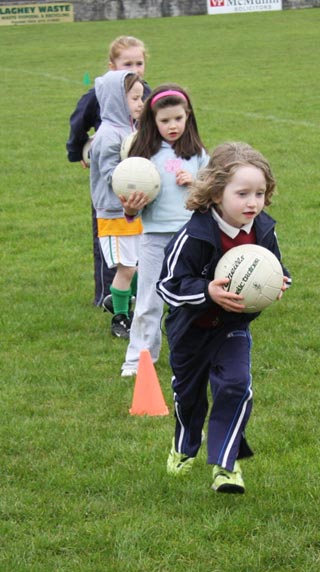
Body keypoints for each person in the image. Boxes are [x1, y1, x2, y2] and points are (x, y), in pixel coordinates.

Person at [156, 142, 291, 494]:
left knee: (235, 386)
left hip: (231, 328)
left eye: (260, 193)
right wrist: (207, 292)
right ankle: (184, 447)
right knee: (190, 400)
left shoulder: (262, 230)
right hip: (191, 332)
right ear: (216, 192)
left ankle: (226, 467)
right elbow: (168, 286)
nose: (253, 202)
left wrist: (278, 283)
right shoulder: (192, 237)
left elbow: (275, 267)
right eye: (243, 193)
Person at [120, 84, 209, 376]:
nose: (173, 126)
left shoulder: (197, 154)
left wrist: (195, 182)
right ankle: (138, 360)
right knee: (148, 300)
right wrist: (131, 209)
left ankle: (197, 354)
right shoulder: (142, 156)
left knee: (193, 299)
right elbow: (131, 210)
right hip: (154, 240)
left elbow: (213, 195)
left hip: (191, 238)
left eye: (178, 119)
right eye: (165, 120)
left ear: (188, 117)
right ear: (152, 121)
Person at [66, 35, 151, 307]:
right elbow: (79, 123)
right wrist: (79, 150)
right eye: (128, 63)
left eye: (139, 63)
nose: (135, 69)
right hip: (108, 180)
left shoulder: (145, 93)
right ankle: (106, 294)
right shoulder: (98, 94)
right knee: (108, 241)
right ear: (112, 66)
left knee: (136, 242)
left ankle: (135, 294)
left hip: (137, 181)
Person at [90, 70, 151, 338]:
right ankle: (120, 319)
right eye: (135, 98)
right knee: (127, 268)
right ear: (116, 100)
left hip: (133, 209)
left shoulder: (132, 129)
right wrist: (137, 182)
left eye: (141, 98)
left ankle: (116, 300)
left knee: (138, 265)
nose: (140, 103)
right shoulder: (107, 136)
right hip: (114, 213)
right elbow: (111, 174)